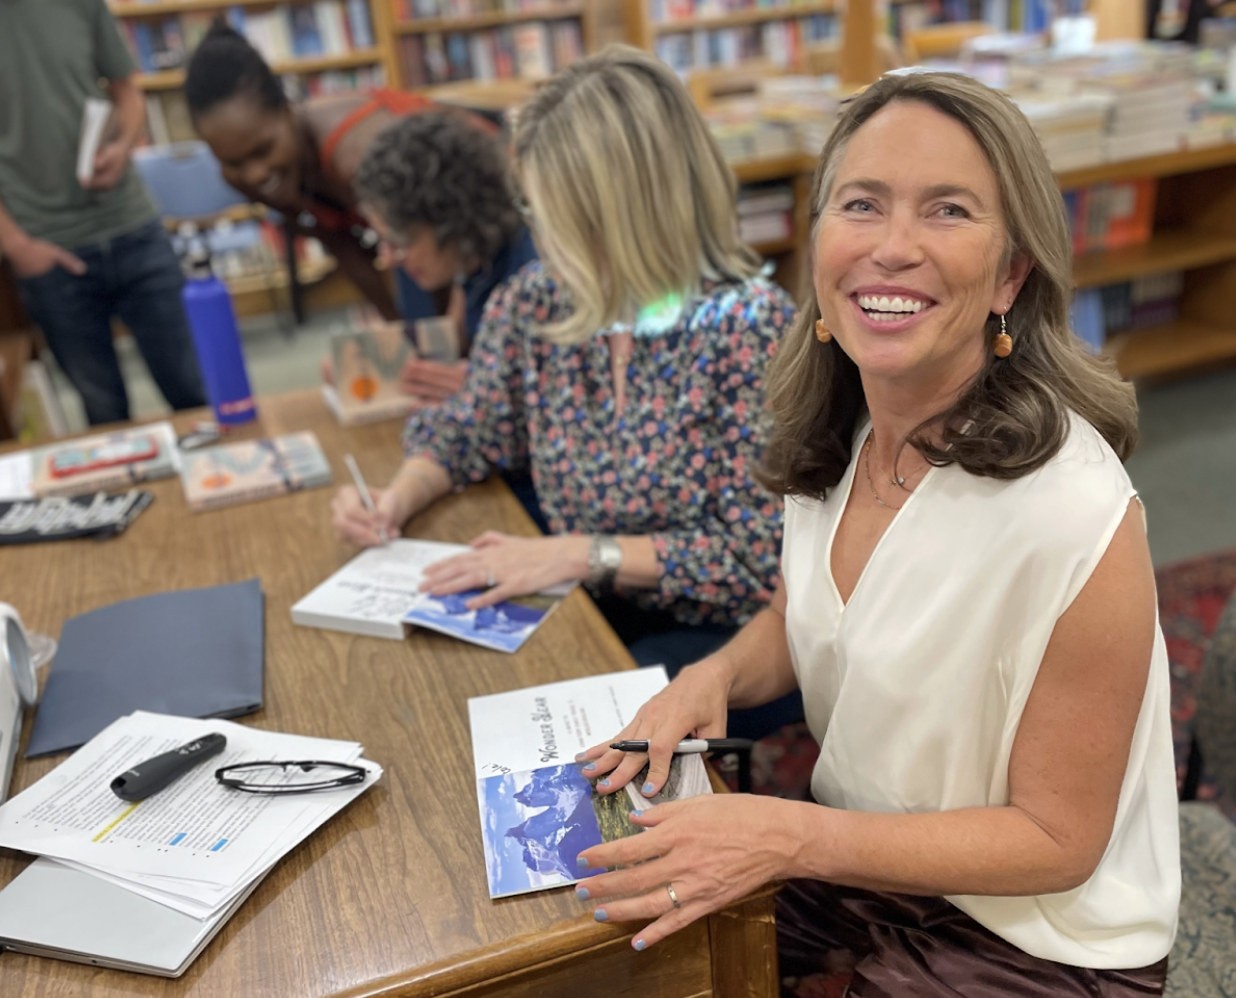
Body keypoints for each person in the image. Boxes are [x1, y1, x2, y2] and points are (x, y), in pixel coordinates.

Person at [573, 71, 1180, 995]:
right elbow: (808, 614)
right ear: (817, 245)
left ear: (1011, 274)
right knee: (613, 958)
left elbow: (1059, 842)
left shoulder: (1075, 511)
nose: (893, 248)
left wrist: (792, 837)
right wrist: (715, 676)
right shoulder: (840, 428)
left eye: (947, 211)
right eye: (862, 204)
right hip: (864, 861)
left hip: (1039, 932)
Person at [331, 46, 799, 739]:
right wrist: (398, 495)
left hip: (729, 642)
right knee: (439, 694)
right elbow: (468, 427)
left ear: (625, 213)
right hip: (590, 598)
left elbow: (755, 561)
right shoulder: (538, 303)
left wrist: (579, 551)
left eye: (554, 214)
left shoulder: (749, 329)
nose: (539, 237)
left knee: (557, 727)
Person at [185, 22, 534, 401]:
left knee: (486, 348)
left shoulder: (356, 154)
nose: (253, 173)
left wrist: (450, 353)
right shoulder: (258, 175)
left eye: (262, 151)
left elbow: (450, 251)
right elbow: (347, 250)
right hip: (431, 243)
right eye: (232, 162)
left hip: (498, 205)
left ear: (288, 111)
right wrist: (401, 348)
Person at [0, 0, 206, 427]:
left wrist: (122, 147)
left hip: (134, 226)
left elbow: (128, 91)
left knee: (194, 392)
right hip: (49, 249)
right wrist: (17, 246)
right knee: (105, 415)